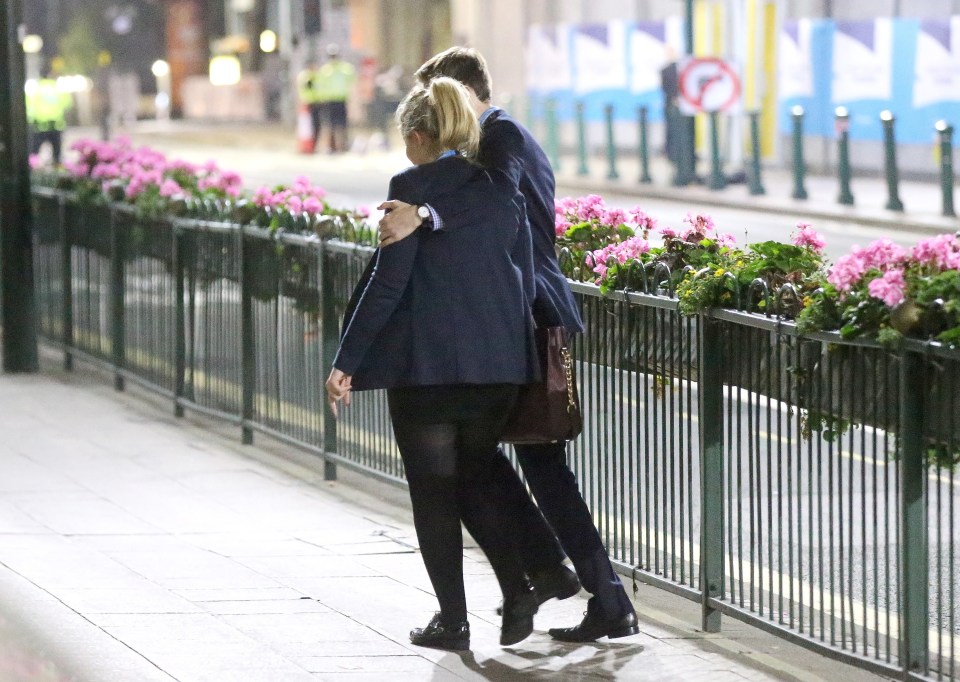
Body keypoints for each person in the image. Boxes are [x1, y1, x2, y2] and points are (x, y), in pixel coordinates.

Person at [377, 46, 639, 643]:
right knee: (495, 460)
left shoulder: (502, 138)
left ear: (469, 93)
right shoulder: (487, 140)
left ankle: (582, 585)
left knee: (527, 464)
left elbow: (494, 197)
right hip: (509, 316)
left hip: (529, 314)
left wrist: (422, 211)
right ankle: (572, 581)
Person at [325, 77, 544, 651]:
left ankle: (454, 619)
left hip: (429, 370)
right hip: (498, 363)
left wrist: (347, 360)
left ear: (419, 137)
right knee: (474, 480)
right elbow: (520, 272)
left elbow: (387, 284)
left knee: (434, 494)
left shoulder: (412, 189)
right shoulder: (497, 189)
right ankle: (521, 586)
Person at [25, 67, 73, 164]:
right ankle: (57, 170)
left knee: (34, 154)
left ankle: (34, 172)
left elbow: (29, 107)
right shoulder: (59, 88)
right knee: (57, 155)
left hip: (39, 126)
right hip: (56, 125)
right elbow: (68, 104)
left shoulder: (35, 89)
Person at [316, 43, 356, 153]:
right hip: (328, 100)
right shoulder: (325, 70)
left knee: (340, 125)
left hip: (340, 99)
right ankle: (329, 147)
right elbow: (320, 86)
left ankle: (340, 147)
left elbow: (352, 84)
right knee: (329, 125)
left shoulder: (344, 69)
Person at [296, 59, 325, 153]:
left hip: (318, 104)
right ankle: (305, 147)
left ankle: (314, 146)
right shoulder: (305, 76)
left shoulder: (317, 76)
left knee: (317, 127)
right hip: (308, 104)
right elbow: (307, 86)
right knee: (307, 128)